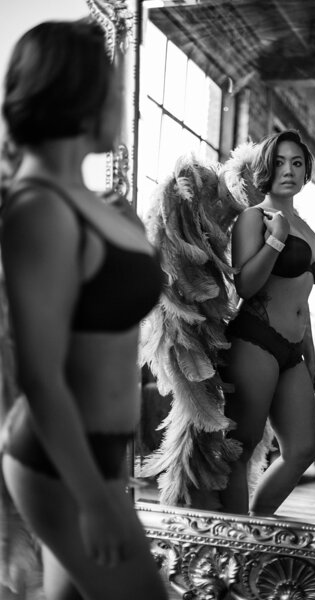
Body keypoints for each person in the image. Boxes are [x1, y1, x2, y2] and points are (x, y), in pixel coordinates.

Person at [0, 19, 167, 600]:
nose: (123, 105)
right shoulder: (40, 209)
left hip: (98, 458)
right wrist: (94, 499)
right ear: (79, 95)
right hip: (61, 465)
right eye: (116, 91)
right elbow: (41, 379)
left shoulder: (87, 201)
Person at [218, 129, 315, 516]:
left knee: (301, 449)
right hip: (255, 341)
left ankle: (258, 524)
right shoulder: (256, 217)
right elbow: (245, 287)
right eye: (280, 162)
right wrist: (276, 241)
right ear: (267, 168)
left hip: (293, 351)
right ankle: (237, 543)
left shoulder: (305, 224)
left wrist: (311, 356)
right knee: (242, 448)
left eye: (297, 163)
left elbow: (303, 298)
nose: (289, 170)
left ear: (306, 172)